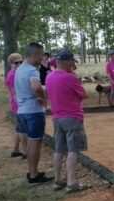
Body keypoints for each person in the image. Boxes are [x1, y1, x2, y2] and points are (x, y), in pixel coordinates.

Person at [46, 50, 88, 193]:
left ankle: (57, 180)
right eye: (71, 62)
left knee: (59, 149)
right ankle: (72, 182)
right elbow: (83, 94)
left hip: (57, 117)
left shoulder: (49, 76)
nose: (73, 64)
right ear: (66, 61)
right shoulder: (70, 77)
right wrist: (74, 76)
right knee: (73, 150)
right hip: (72, 117)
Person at [15, 42, 53, 184]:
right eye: (41, 55)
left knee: (30, 142)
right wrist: (43, 98)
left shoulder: (20, 69)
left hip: (22, 111)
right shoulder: (32, 70)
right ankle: (34, 174)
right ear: (35, 54)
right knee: (35, 143)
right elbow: (36, 87)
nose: (42, 58)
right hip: (33, 111)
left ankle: (32, 172)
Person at [5, 52, 27, 158]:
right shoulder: (13, 75)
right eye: (16, 63)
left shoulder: (16, 73)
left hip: (18, 104)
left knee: (19, 128)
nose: (19, 64)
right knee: (22, 129)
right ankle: (25, 151)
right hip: (18, 104)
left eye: (21, 62)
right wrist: (20, 105)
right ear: (11, 64)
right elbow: (14, 93)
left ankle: (16, 149)